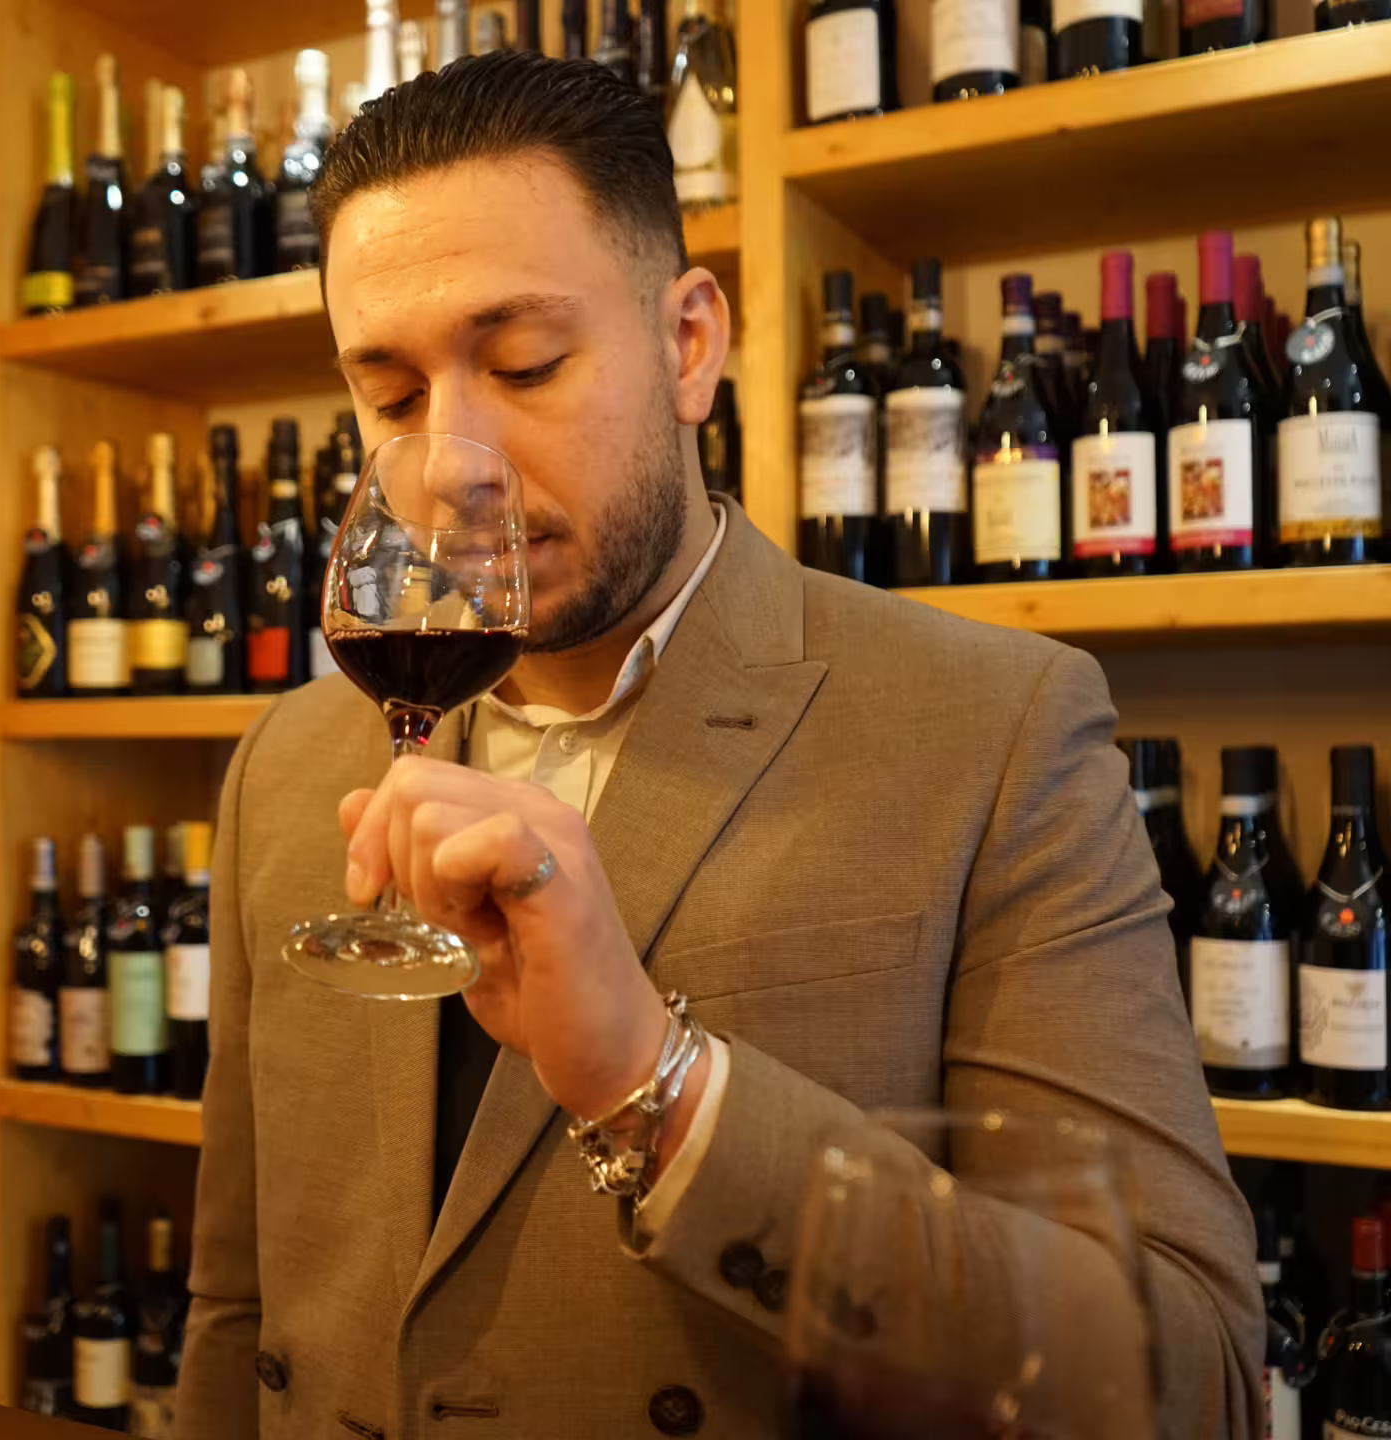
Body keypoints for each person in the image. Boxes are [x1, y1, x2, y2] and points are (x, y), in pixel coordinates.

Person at [178, 51, 1262, 1440]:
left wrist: (655, 1080)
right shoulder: (283, 768)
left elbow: (1191, 1380)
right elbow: (239, 1312)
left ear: (691, 343)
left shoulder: (997, 736)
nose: (453, 460)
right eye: (389, 396)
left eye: (523, 364)